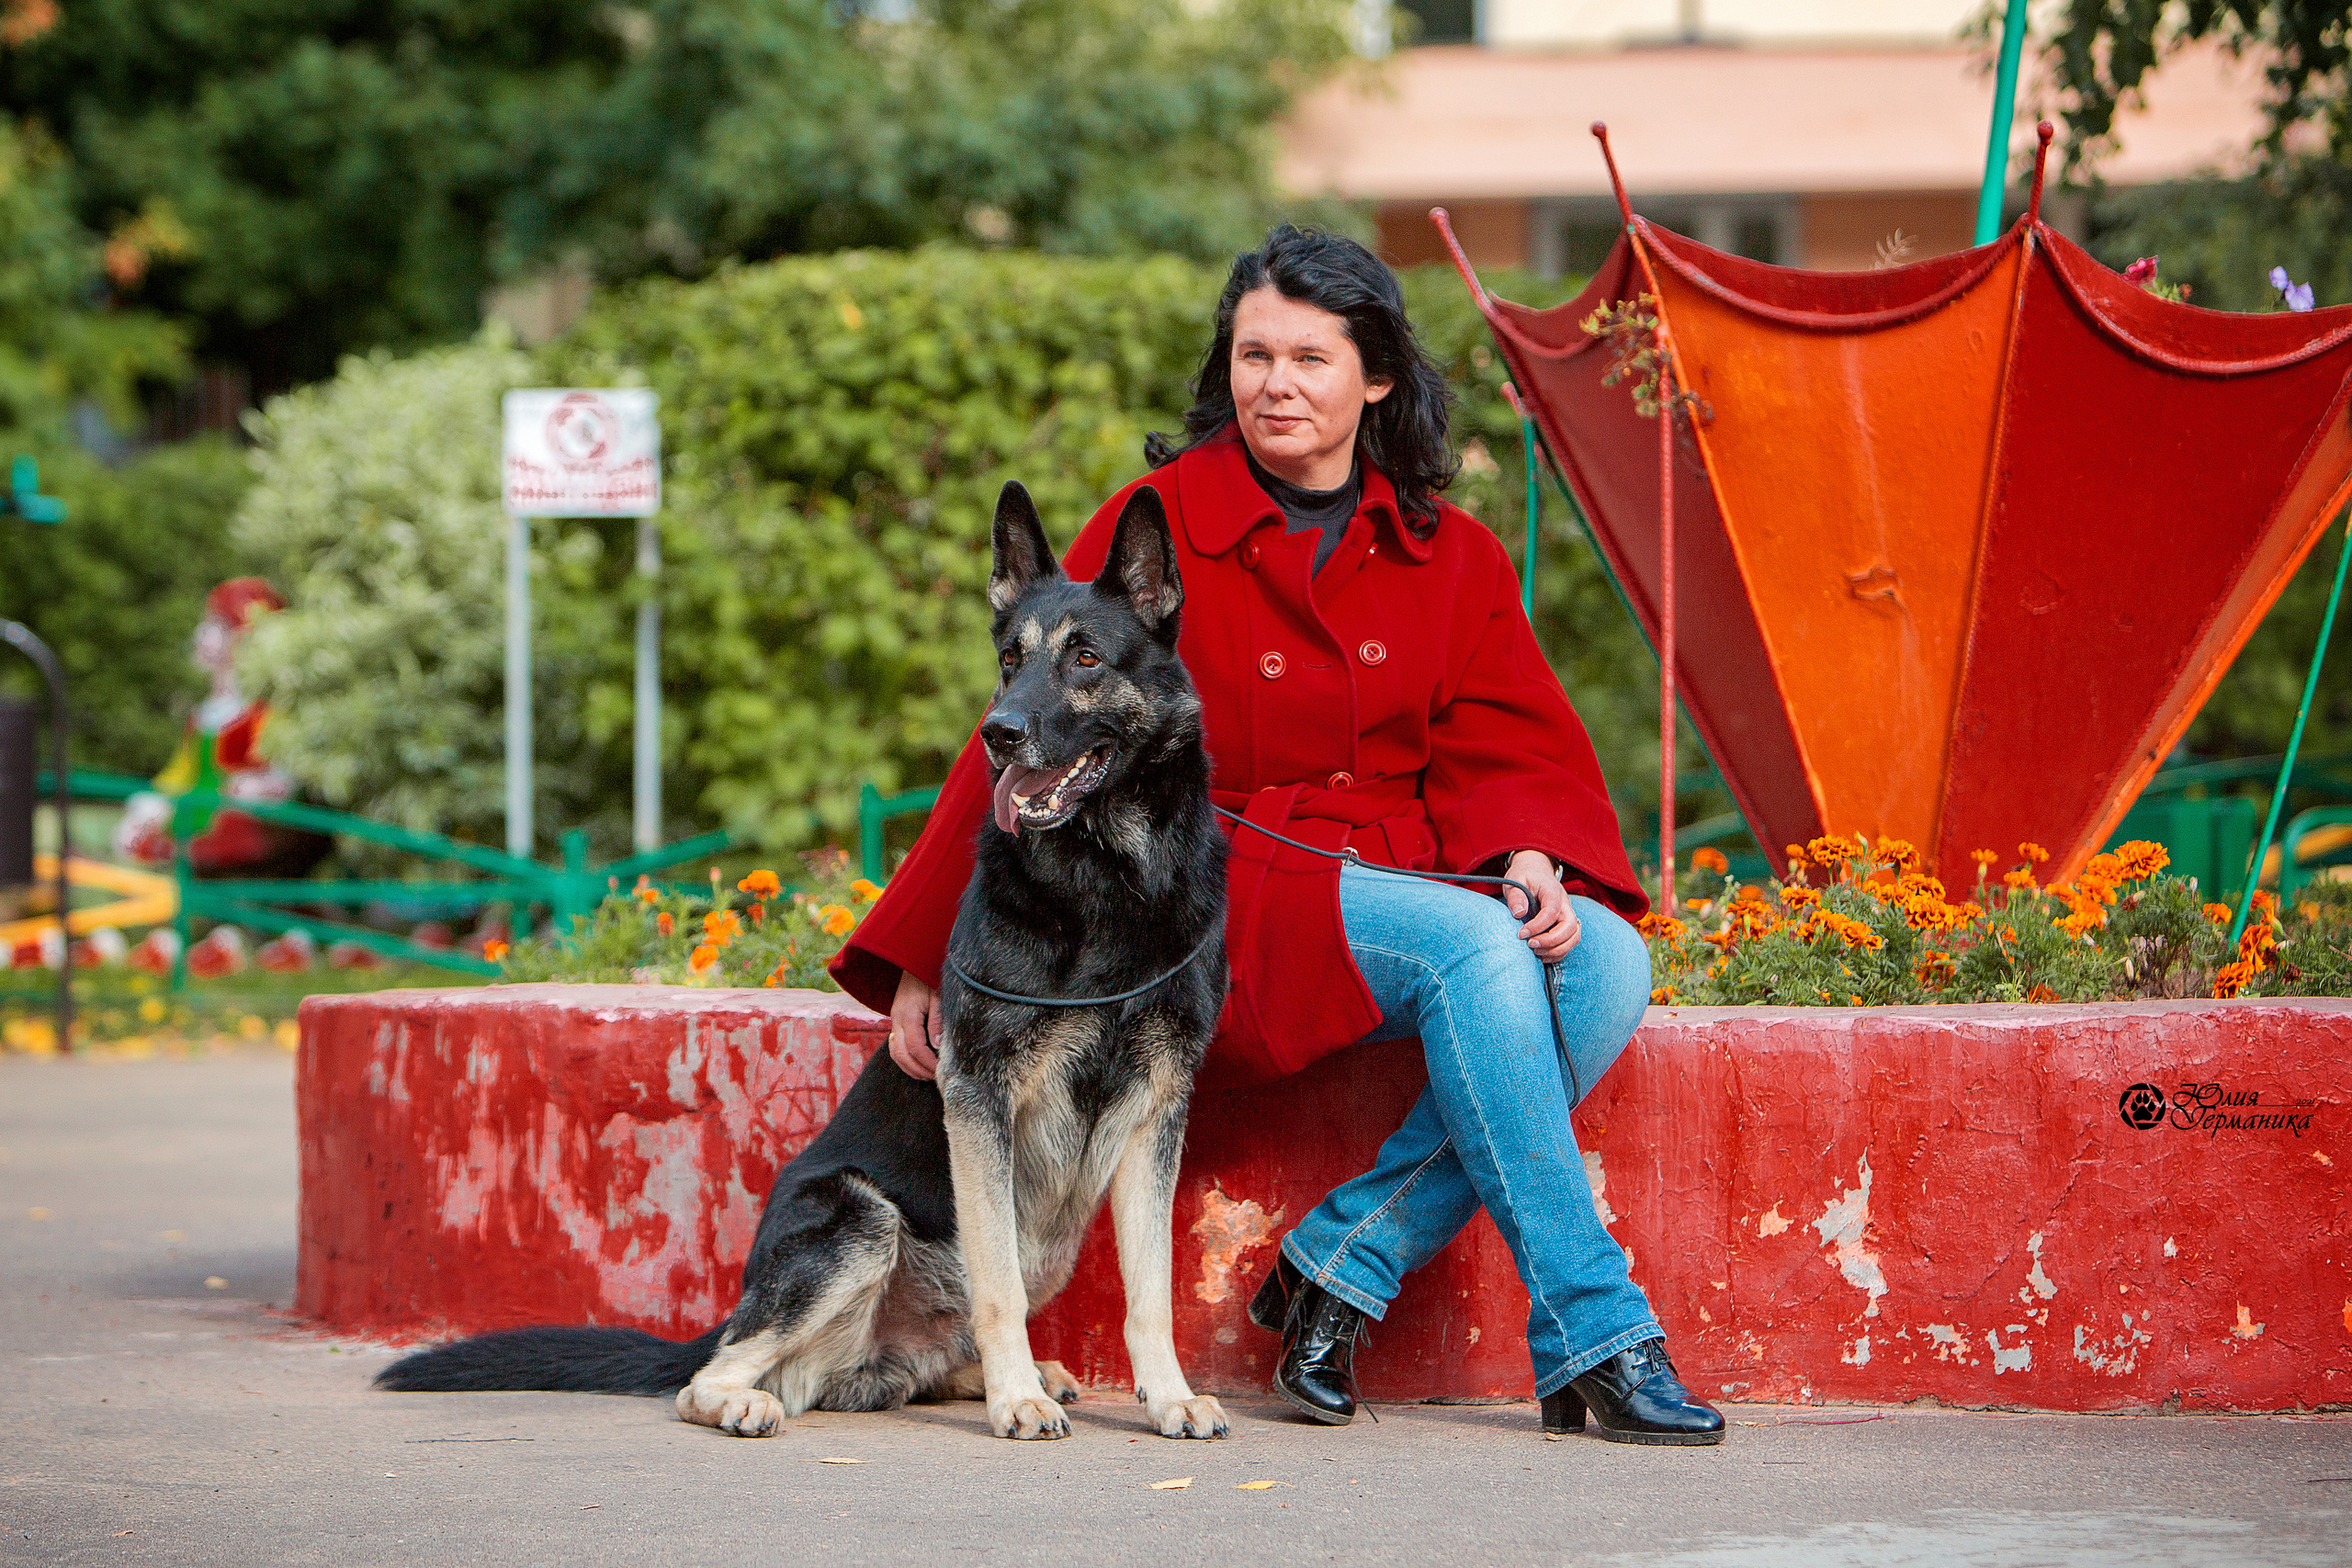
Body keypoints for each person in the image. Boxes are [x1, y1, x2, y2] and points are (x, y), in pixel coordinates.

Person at [832, 225, 1722, 1445]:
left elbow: (1507, 735)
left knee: (1610, 960)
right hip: (1221, 884)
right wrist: (935, 950)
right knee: (1478, 954)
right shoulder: (1157, 520)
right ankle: (1597, 1334)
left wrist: (1527, 850)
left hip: (1393, 875)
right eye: (1254, 354)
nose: (1276, 382)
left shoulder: (1447, 551)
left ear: (1379, 378)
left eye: (1310, 356)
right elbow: (1029, 719)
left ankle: (1341, 1265)